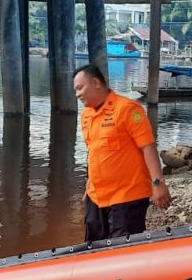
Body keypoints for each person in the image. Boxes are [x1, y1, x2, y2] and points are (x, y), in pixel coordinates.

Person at [73, 64, 172, 242]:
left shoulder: (128, 109)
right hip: (96, 197)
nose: (77, 94)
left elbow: (148, 147)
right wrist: (90, 182)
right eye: (75, 90)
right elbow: (95, 152)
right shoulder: (86, 115)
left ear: (96, 83)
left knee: (123, 253)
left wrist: (158, 184)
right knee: (93, 250)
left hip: (127, 197)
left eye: (80, 88)